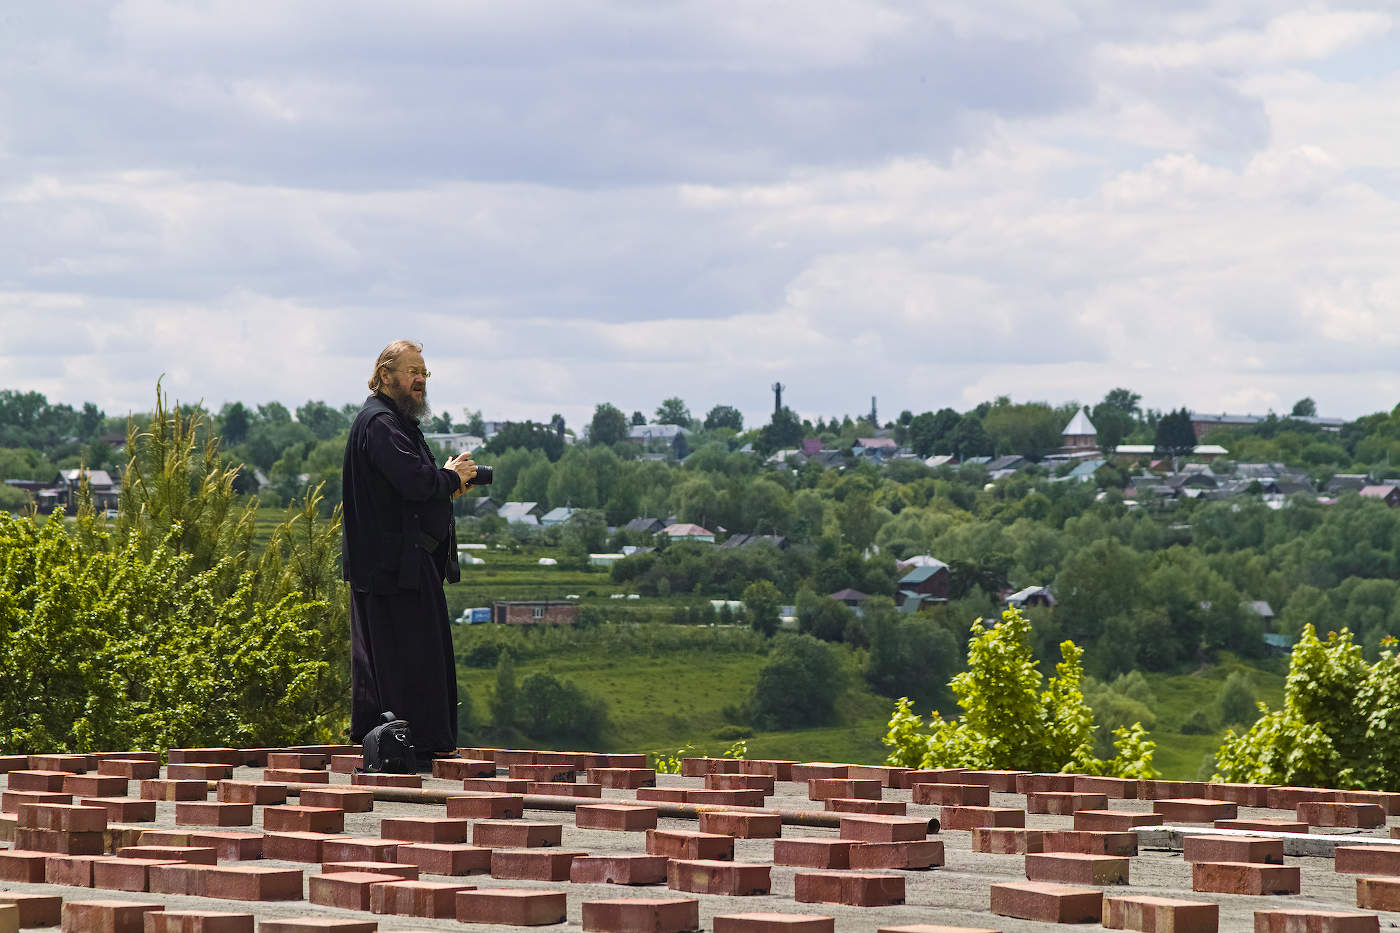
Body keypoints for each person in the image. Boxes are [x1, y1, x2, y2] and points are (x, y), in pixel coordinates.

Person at [341, 339, 477, 758]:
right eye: (412, 371)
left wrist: (444, 484)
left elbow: (407, 489)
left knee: (402, 662)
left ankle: (398, 746)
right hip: (393, 572)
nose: (420, 380)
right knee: (412, 663)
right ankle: (411, 747)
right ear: (385, 375)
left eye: (424, 373)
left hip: (396, 569)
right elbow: (416, 481)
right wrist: (450, 478)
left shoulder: (392, 423)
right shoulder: (380, 424)